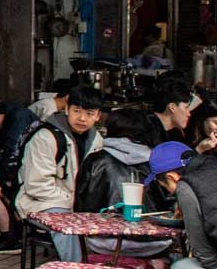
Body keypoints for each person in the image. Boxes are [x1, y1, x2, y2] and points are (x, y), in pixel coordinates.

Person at [14, 85, 105, 263]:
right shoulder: (45, 137)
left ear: (98, 116)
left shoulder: (97, 140)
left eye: (89, 113)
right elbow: (36, 186)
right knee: (65, 224)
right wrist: (73, 205)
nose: (82, 118)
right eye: (77, 111)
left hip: (75, 204)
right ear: (66, 109)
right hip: (41, 203)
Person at [73, 108, 172, 261]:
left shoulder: (95, 160)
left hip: (103, 242)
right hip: (156, 241)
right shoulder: (158, 162)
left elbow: (81, 206)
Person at [0, 97, 35, 253]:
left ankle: (10, 238)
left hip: (28, 175)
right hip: (26, 171)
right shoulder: (15, 113)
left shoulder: (17, 121)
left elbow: (13, 158)